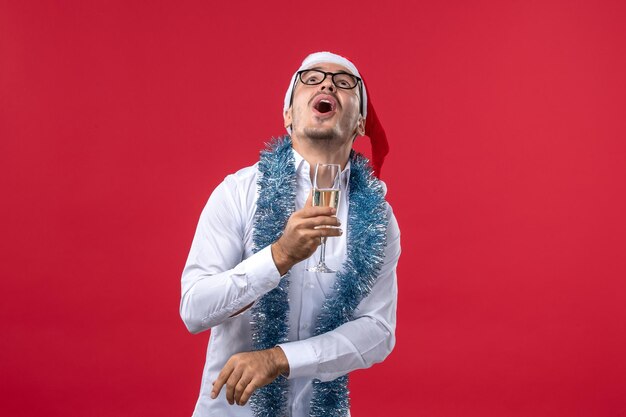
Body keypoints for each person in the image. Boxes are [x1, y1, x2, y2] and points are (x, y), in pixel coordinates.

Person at [180, 51, 401, 417]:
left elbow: (378, 330)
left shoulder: (378, 216)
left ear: (360, 122)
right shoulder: (239, 193)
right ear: (288, 115)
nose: (328, 83)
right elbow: (194, 309)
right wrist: (278, 256)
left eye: (345, 83)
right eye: (310, 78)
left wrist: (281, 359)